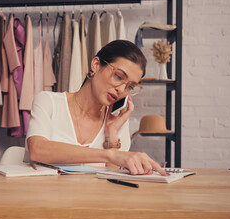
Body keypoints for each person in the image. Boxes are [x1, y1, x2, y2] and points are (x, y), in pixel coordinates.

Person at [26, 40, 168, 176]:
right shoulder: (48, 102)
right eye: (118, 77)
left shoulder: (118, 123)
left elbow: (112, 180)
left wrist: (111, 136)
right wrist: (109, 155)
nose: (121, 89)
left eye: (130, 86)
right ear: (95, 64)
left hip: (94, 200)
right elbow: (37, 150)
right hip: (45, 198)